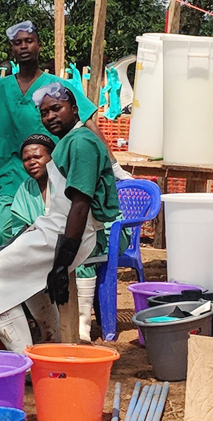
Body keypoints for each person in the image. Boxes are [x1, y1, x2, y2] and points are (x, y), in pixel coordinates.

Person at [0, 82, 119, 351]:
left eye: (56, 108)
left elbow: (80, 205)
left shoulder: (82, 143)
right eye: (44, 112)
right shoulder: (70, 142)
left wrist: (63, 261)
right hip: (58, 230)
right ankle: (52, 347)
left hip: (67, 235)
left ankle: (25, 363)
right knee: (28, 286)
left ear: (75, 110)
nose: (49, 116)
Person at [0, 21, 129, 244]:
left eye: (29, 41)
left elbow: (88, 121)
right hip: (11, 176)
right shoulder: (1, 88)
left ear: (39, 46)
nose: (24, 47)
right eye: (18, 43)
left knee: (50, 235)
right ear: (12, 50)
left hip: (53, 178)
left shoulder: (56, 86)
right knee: (5, 234)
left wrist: (113, 164)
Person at [7, 133, 126, 342]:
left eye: (37, 156)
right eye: (26, 159)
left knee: (75, 257)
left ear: (52, 158)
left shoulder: (71, 178)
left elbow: (90, 217)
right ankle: (48, 327)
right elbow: (19, 225)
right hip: (48, 243)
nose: (31, 162)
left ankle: (81, 328)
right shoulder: (26, 189)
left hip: (95, 236)